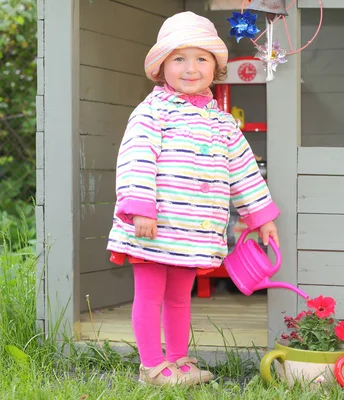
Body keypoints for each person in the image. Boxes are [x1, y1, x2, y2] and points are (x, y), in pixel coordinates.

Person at [106, 11, 280, 387]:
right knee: (150, 294)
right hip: (152, 225)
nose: (190, 68)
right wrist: (140, 209)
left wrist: (260, 217)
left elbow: (244, 170)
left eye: (201, 58)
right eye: (179, 58)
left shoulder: (221, 122)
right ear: (161, 67)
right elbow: (136, 159)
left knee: (180, 298)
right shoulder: (152, 112)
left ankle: (177, 359)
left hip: (192, 230)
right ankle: (152, 366)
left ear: (215, 67)